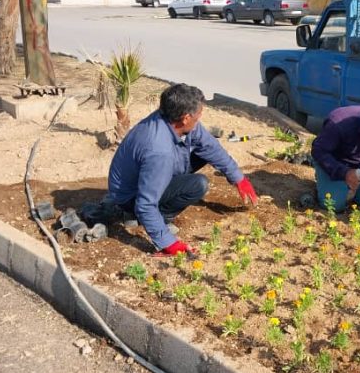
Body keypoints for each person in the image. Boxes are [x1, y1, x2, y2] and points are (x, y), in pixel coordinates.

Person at [108, 83, 258, 256]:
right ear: (186, 118)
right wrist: (168, 244)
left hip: (149, 173)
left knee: (205, 152)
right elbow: (145, 203)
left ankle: (153, 215)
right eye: (198, 114)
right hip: (130, 196)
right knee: (198, 185)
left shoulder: (171, 119)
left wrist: (238, 178)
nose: (200, 118)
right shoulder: (159, 150)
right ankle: (158, 218)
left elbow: (209, 145)